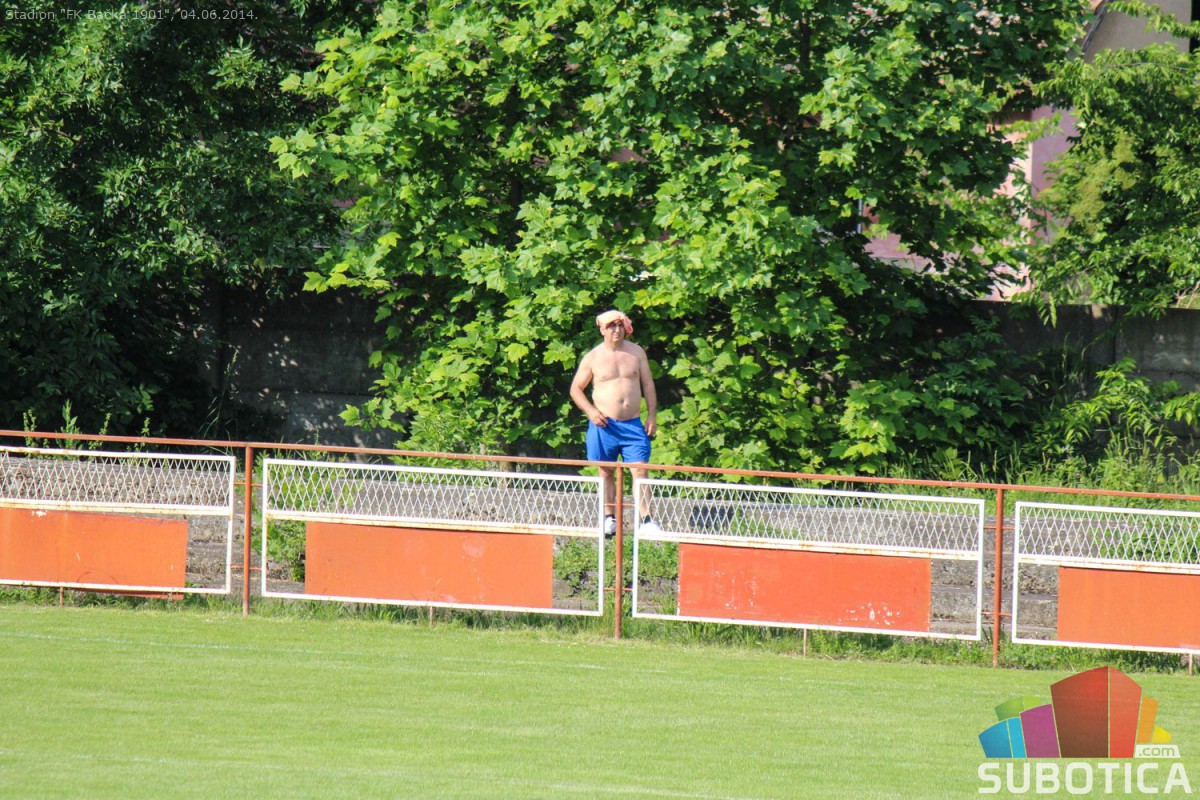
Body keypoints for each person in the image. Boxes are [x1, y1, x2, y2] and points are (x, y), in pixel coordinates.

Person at [570, 309, 661, 536]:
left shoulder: (636, 352)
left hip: (632, 423)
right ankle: (609, 518)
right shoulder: (593, 357)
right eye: (611, 326)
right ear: (602, 329)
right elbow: (576, 389)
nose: (617, 330)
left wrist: (652, 415)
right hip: (604, 424)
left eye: (620, 325)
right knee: (606, 471)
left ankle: (646, 520)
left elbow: (648, 384)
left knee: (640, 469)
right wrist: (591, 411)